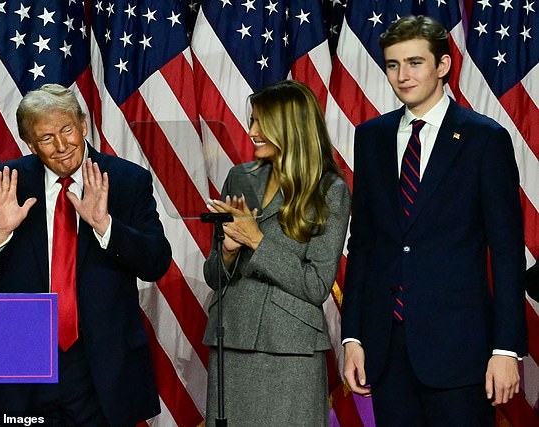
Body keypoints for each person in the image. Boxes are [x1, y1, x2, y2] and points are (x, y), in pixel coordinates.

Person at [341, 15, 527, 427]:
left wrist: (506, 348)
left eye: (414, 63)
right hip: (387, 348)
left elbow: (508, 250)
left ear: (442, 66)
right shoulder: (371, 136)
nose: (402, 75)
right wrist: (352, 336)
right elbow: (364, 244)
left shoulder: (484, 138)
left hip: (460, 351)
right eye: (393, 65)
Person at [0, 84, 172, 426]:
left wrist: (105, 226)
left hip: (99, 367)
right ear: (29, 143)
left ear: (83, 125)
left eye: (67, 130)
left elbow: (156, 261)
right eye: (46, 138)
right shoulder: (4, 183)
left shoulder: (127, 180)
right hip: (22, 363)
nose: (61, 146)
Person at [203, 80, 351, 426]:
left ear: (289, 127)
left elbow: (316, 285)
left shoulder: (330, 190)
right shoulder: (240, 177)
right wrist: (227, 250)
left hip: (292, 349)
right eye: (251, 120)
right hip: (232, 339)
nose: (251, 131)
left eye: (260, 123)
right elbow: (214, 276)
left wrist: (257, 241)